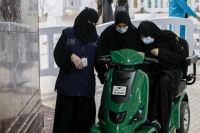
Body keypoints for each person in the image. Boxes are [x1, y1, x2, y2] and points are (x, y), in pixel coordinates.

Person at [53, 8, 105, 133]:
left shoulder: (96, 39)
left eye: (94, 24)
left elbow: (99, 62)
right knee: (65, 125)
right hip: (68, 89)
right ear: (82, 20)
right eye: (89, 22)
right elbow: (57, 53)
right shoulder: (68, 34)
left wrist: (107, 76)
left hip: (86, 89)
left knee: (84, 125)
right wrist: (70, 56)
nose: (91, 26)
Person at [138, 20, 185, 133]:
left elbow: (180, 56)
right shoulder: (143, 44)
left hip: (173, 70)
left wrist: (161, 53)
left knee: (163, 81)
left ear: (153, 32)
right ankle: (144, 117)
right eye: (142, 36)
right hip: (156, 70)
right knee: (144, 80)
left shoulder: (168, 38)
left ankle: (160, 120)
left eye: (147, 36)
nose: (145, 39)